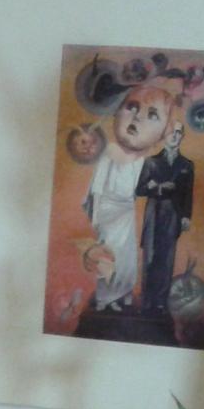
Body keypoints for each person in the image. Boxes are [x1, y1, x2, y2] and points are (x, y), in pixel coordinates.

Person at [82, 86, 172, 312]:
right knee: (107, 254)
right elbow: (98, 186)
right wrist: (96, 216)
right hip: (107, 209)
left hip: (126, 212)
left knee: (127, 258)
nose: (137, 117)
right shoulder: (109, 153)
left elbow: (143, 188)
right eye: (132, 107)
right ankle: (105, 297)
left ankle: (120, 295)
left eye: (152, 115)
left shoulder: (144, 162)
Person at [137, 119, 194, 314]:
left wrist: (186, 216)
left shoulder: (187, 165)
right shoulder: (151, 162)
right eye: (171, 132)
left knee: (167, 257)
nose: (174, 136)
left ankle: (161, 301)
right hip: (154, 212)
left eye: (178, 132)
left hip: (173, 213)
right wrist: (157, 187)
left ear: (182, 136)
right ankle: (147, 301)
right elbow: (139, 189)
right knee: (150, 255)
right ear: (163, 136)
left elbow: (188, 193)